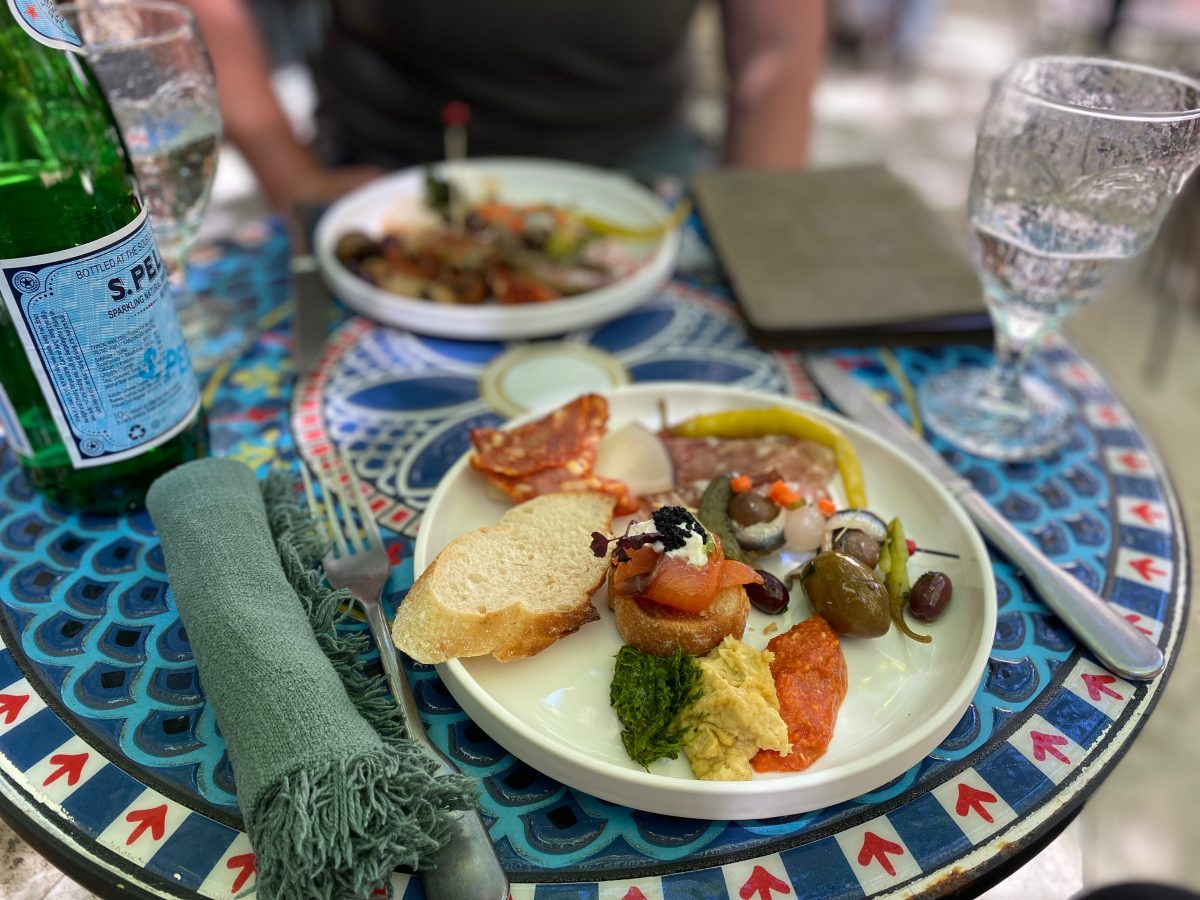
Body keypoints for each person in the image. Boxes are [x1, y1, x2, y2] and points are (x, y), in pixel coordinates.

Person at [179, 0, 827, 210]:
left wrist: (756, 221)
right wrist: (290, 174)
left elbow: (779, 41)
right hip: (388, 171)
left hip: (641, 156)